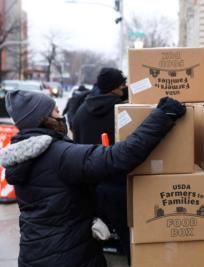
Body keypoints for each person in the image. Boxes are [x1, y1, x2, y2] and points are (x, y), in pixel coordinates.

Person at [0, 90, 186, 267]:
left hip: (34, 253)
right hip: (68, 257)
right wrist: (162, 116)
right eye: (55, 110)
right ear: (43, 119)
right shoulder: (59, 154)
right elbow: (118, 158)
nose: (60, 114)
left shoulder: (23, 156)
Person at [72, 68, 131, 261]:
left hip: (90, 182)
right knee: (127, 237)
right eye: (121, 83)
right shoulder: (124, 110)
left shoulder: (81, 110)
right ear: (115, 86)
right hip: (119, 182)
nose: (124, 86)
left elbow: (77, 143)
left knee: (96, 234)